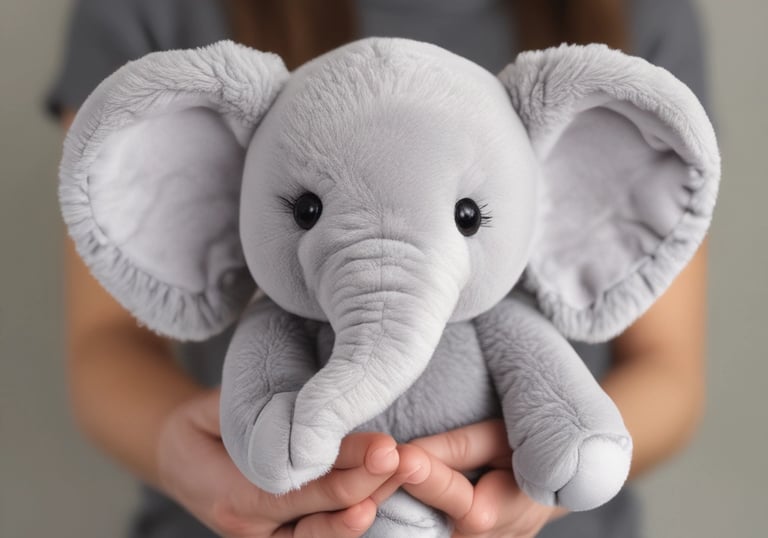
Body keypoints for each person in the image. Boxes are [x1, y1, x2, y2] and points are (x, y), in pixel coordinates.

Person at [48, 0, 711, 536]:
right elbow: (107, 343)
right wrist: (191, 455)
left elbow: (668, 371)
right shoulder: (150, 8)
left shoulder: (641, 11)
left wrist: (549, 479)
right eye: (306, 210)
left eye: (468, 217)